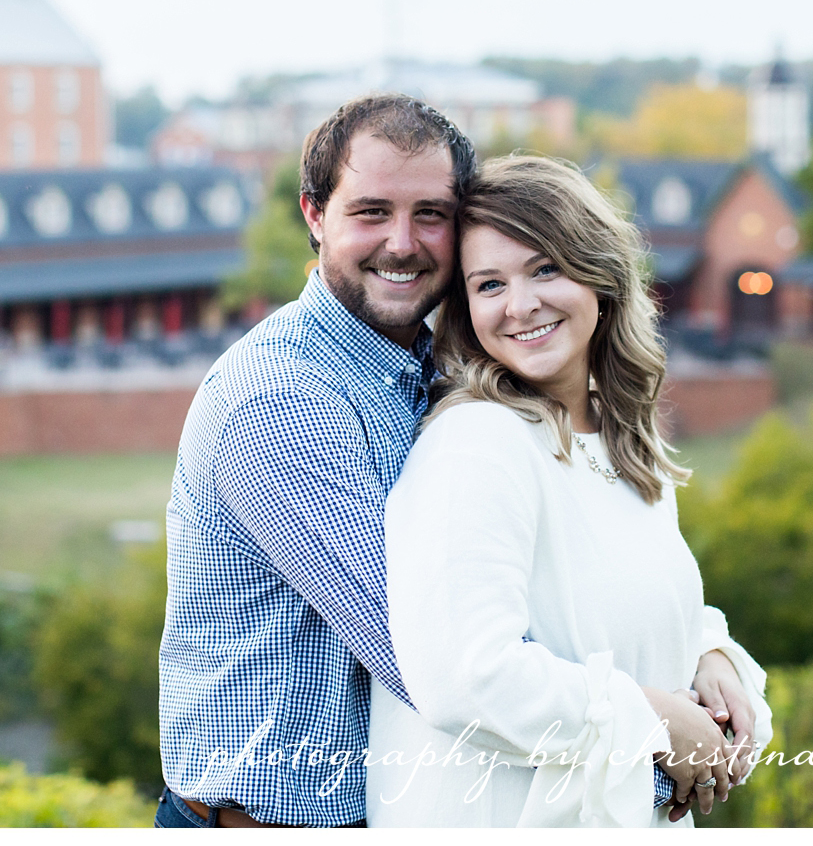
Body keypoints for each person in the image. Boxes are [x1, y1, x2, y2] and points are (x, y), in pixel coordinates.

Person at [155, 95, 759, 828]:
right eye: (371, 211)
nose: (403, 243)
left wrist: (703, 647)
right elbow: (434, 652)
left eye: (431, 214)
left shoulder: (440, 371)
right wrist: (659, 748)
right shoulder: (281, 403)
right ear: (315, 215)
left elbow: (565, 589)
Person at [367, 154, 771, 826]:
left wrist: (707, 651)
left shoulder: (620, 436)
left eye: (545, 268)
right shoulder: (478, 446)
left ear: (600, 274)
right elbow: (468, 675)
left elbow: (597, 601)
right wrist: (651, 716)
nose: (521, 305)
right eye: (489, 283)